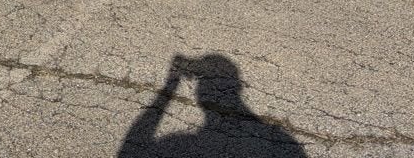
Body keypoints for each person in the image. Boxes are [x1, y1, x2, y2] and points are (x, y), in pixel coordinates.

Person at [118, 53, 307, 157]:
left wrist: (171, 83)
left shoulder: (175, 143)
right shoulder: (285, 141)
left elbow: (131, 146)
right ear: (239, 85)